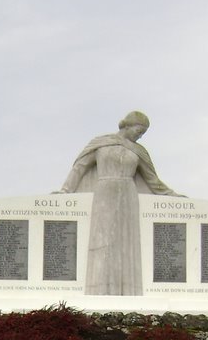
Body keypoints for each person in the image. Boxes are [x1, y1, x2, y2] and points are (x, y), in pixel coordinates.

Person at [59, 111, 181, 295]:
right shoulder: (101, 143)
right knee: (103, 239)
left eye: (143, 133)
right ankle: (100, 288)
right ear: (127, 125)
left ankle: (127, 289)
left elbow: (152, 180)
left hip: (128, 194)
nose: (140, 135)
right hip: (104, 192)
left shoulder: (139, 151)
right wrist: (65, 190)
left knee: (126, 241)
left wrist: (171, 194)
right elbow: (80, 167)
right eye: (139, 130)